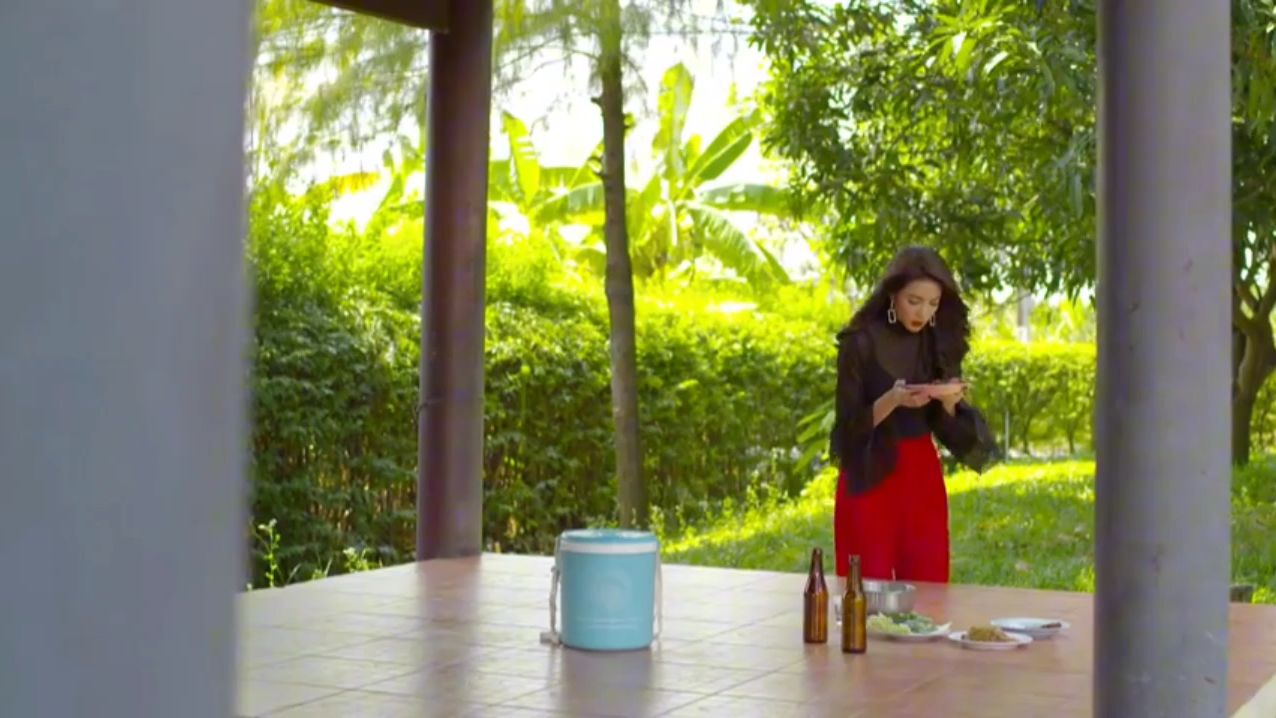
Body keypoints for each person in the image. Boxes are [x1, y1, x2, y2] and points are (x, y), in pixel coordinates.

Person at [829, 246, 998, 584]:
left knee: (929, 587)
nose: (923, 312)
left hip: (920, 473)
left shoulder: (937, 342)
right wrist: (892, 400)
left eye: (933, 303)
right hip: (869, 472)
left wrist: (948, 401)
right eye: (914, 301)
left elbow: (950, 432)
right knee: (867, 591)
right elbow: (847, 430)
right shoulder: (859, 342)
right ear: (893, 294)